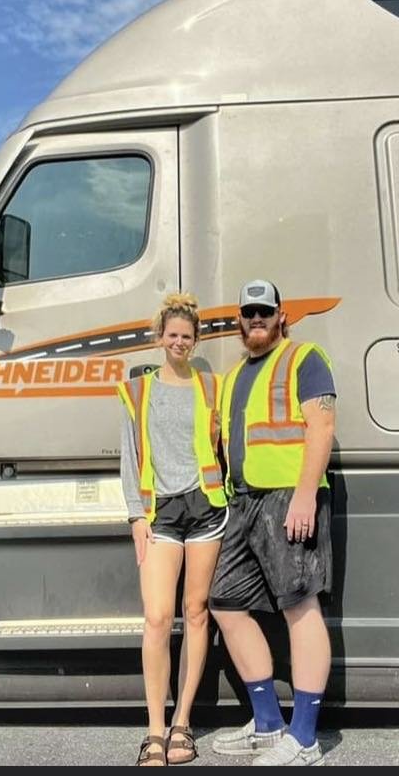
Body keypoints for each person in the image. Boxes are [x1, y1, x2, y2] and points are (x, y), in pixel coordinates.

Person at [208, 279, 336, 767]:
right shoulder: (239, 372)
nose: (256, 319)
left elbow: (322, 427)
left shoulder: (305, 358)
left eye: (264, 311)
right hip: (243, 503)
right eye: (248, 313)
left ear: (281, 315)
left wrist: (305, 496)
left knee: (300, 609)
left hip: (289, 500)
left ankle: (304, 738)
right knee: (224, 603)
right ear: (240, 320)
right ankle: (267, 724)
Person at [117, 293, 229, 766]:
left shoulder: (212, 386)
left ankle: (183, 722)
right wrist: (135, 515)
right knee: (158, 618)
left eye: (187, 335)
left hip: (206, 509)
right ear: (160, 337)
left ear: (195, 339)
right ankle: (155, 730)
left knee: (197, 613)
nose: (180, 342)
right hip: (160, 513)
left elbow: (223, 446)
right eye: (173, 334)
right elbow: (128, 456)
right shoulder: (138, 390)